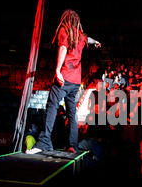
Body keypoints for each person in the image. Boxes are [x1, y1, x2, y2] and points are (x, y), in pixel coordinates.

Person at [27, 10, 101, 154]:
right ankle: (72, 145)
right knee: (72, 113)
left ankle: (44, 143)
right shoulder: (80, 35)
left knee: (52, 106)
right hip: (75, 81)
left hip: (65, 76)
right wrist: (96, 42)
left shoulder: (65, 30)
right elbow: (88, 39)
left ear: (65, 20)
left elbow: (62, 49)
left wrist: (58, 70)